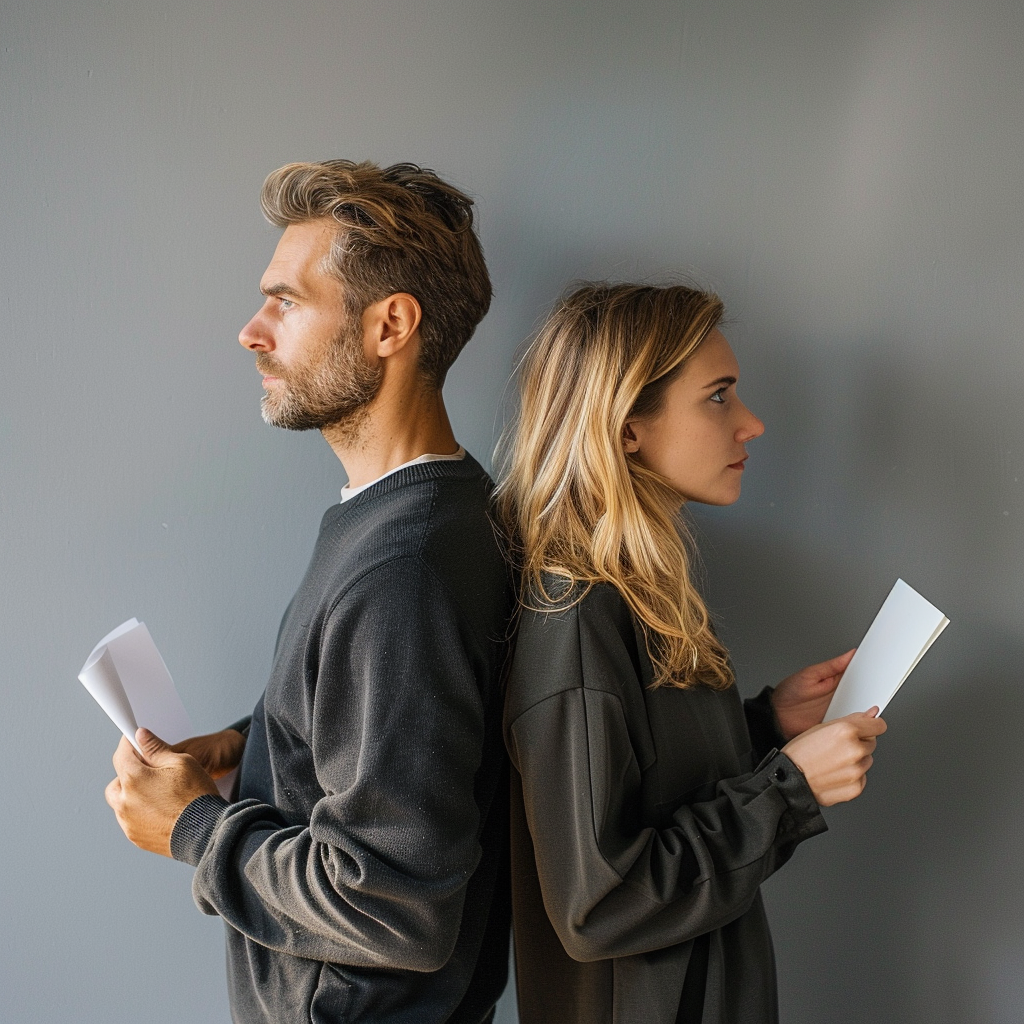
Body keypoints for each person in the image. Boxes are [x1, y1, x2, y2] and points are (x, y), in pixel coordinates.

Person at [104, 160, 514, 1024]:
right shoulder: (411, 519)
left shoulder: (405, 571)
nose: (252, 332)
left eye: (285, 300)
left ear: (389, 325)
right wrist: (249, 747)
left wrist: (193, 831)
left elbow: (395, 909)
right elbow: (381, 727)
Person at [494, 282, 887, 1024]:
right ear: (627, 428)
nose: (753, 423)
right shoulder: (576, 619)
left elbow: (652, 785)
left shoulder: (639, 593)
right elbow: (600, 904)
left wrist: (768, 726)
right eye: (718, 397)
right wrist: (788, 790)